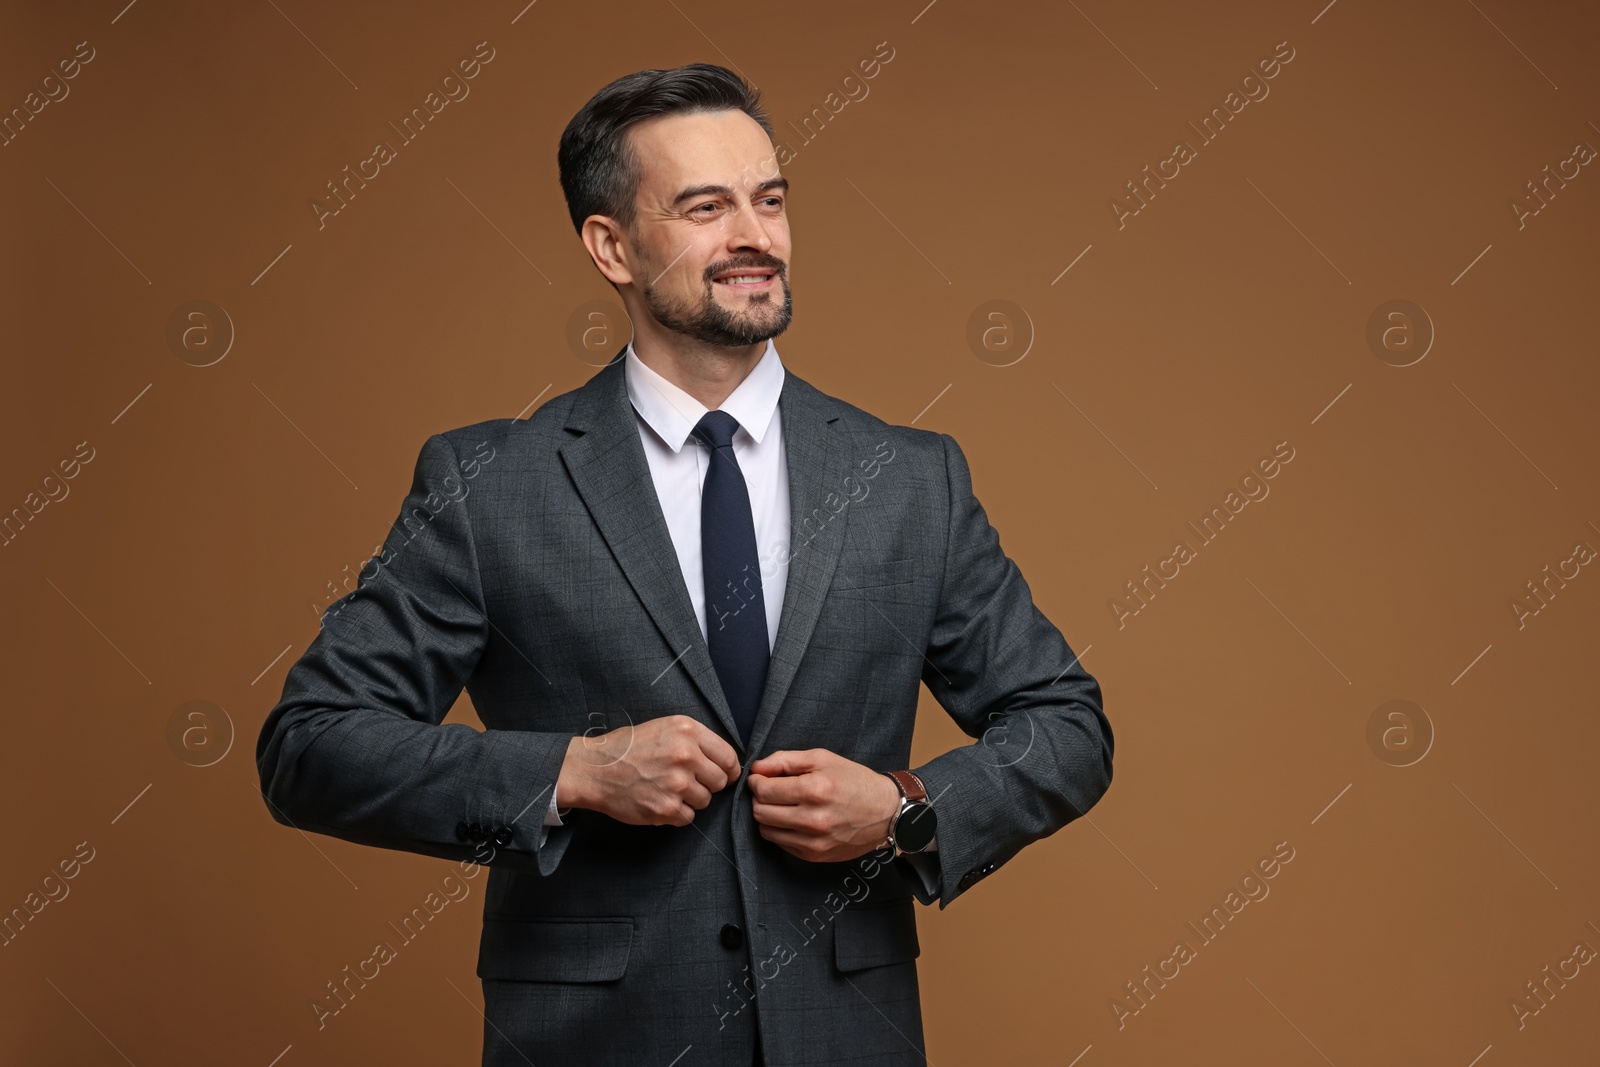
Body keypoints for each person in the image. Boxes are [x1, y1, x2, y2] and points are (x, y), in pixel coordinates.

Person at [255, 62, 1112, 1067]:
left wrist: (906, 807)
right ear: (610, 246)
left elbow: (1066, 724)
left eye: (770, 199)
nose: (755, 236)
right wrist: (574, 770)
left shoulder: (907, 476)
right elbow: (310, 745)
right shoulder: (489, 483)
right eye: (706, 207)